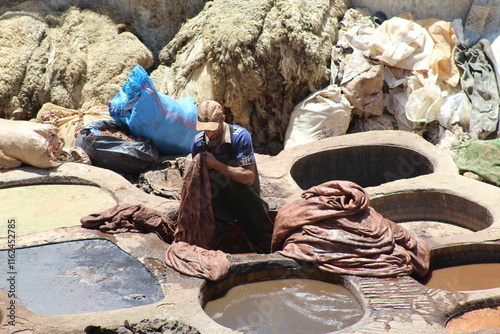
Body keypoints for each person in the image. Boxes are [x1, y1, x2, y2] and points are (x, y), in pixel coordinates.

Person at [191, 100, 274, 253]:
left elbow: (249, 177)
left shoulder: (240, 137)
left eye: (212, 128)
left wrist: (217, 165)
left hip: (246, 195)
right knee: (208, 239)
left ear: (223, 119)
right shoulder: (198, 143)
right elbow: (197, 179)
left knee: (262, 237)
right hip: (218, 197)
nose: (209, 133)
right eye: (205, 129)